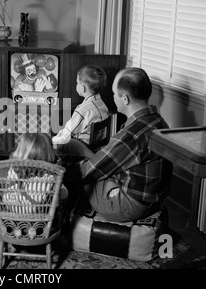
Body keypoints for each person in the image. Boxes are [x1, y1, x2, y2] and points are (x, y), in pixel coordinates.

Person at [66, 67, 173, 222]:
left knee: (75, 178)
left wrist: (59, 170)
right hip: (153, 200)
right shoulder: (157, 120)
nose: (113, 97)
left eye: (114, 93)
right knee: (76, 146)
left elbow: (88, 172)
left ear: (125, 99)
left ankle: (66, 222)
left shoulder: (130, 135)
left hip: (128, 206)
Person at [0, 133, 68, 236]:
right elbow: (64, 194)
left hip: (9, 214)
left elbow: (7, 191)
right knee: (60, 199)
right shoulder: (53, 173)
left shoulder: (14, 167)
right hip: (38, 218)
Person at [52, 65, 109, 159]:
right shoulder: (102, 104)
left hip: (84, 147)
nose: (76, 85)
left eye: (77, 83)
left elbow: (68, 131)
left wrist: (53, 141)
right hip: (97, 146)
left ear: (83, 88)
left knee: (64, 142)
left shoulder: (82, 110)